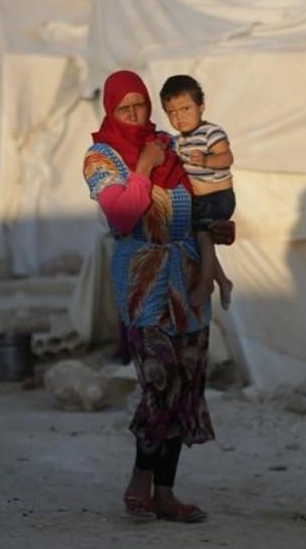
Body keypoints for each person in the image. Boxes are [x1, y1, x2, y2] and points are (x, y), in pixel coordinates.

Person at [83, 70, 216, 524]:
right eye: (125, 107)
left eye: (141, 104)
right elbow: (122, 216)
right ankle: (140, 477)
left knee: (187, 381)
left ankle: (165, 492)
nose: (135, 113)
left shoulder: (172, 145)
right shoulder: (101, 158)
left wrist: (212, 267)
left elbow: (200, 210)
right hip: (143, 282)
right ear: (110, 111)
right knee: (159, 380)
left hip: (188, 278)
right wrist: (142, 167)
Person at [159, 74, 236, 310]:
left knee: (203, 236)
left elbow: (227, 158)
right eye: (171, 112)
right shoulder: (178, 141)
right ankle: (222, 279)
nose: (179, 117)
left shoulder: (211, 133)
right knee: (200, 240)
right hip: (198, 201)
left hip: (217, 198)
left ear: (201, 107)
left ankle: (206, 285)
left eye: (185, 109)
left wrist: (205, 160)